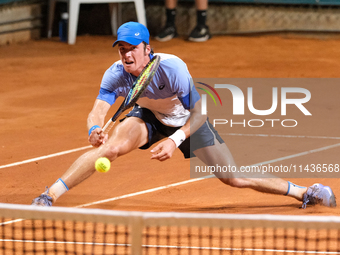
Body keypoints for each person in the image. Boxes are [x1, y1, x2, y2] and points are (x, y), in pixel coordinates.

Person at [32, 22, 336, 209]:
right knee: (108, 147)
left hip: (187, 121)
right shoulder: (116, 74)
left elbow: (201, 110)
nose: (126, 54)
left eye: (132, 48)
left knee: (234, 177)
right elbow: (98, 108)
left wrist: (176, 139)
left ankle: (303, 192)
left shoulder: (172, 68)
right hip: (148, 116)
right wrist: (94, 127)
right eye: (121, 49)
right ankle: (49, 196)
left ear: (147, 48)